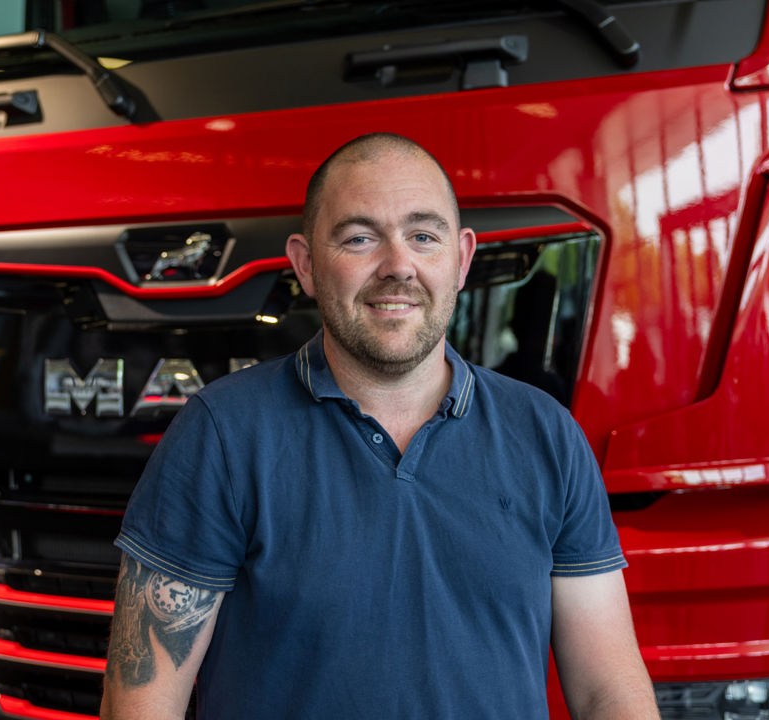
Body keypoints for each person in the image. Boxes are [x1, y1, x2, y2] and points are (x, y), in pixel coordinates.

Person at [99, 133, 658, 719]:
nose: (398, 267)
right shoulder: (220, 435)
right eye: (359, 239)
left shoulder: (548, 435)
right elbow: (140, 703)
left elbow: (608, 692)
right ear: (306, 265)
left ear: (462, 258)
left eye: (423, 236)